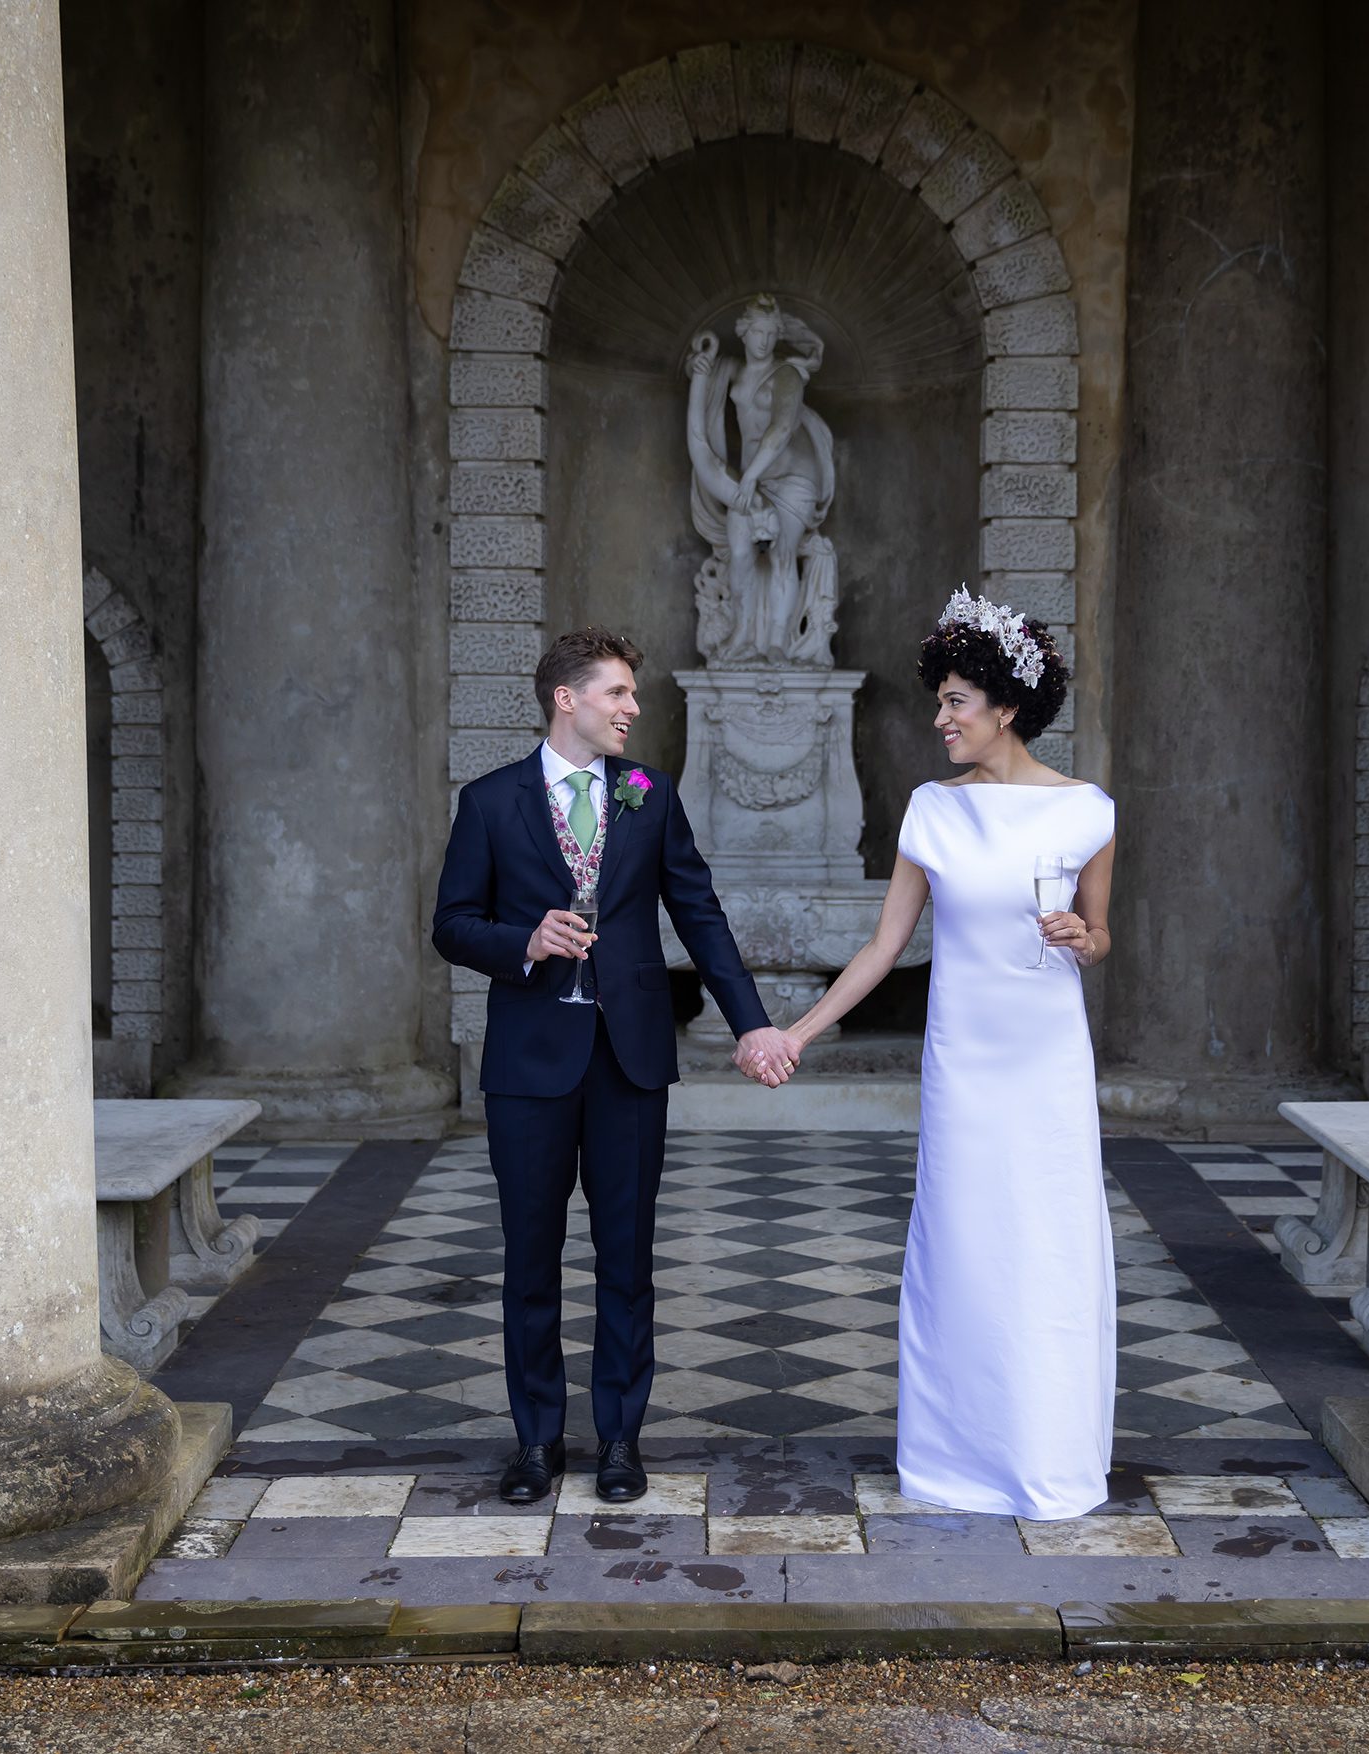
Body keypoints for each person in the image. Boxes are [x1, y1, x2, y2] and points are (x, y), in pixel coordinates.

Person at [432, 628, 802, 1506]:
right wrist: (521, 940)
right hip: (528, 1063)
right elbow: (450, 923)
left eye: (631, 696)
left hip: (631, 1060)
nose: (633, 708)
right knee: (531, 1256)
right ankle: (536, 1441)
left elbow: (701, 916)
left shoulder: (648, 795)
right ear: (568, 698)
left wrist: (752, 1026)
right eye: (618, 693)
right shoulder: (489, 802)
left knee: (626, 1257)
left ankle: (622, 1438)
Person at [776, 588, 1119, 1519]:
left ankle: (1047, 1458)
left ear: (1006, 706)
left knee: (1046, 1250)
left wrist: (1080, 940)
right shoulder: (931, 810)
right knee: (965, 1250)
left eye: (956, 702)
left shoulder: (1088, 811)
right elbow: (886, 946)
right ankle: (957, 1460)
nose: (941, 719)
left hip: (1046, 1065)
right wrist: (799, 1033)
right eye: (941, 702)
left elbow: (1100, 938)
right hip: (964, 1067)